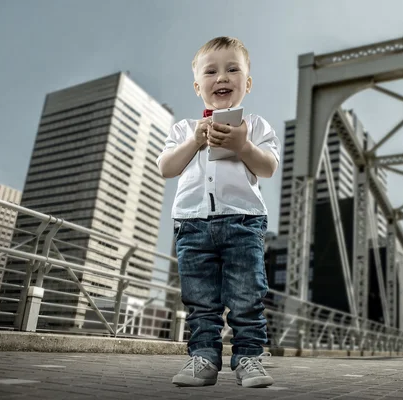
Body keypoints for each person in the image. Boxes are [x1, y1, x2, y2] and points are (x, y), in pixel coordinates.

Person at [156, 36, 280, 388]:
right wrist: (194, 141)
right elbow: (166, 168)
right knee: (199, 299)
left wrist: (242, 145)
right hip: (192, 224)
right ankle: (203, 358)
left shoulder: (255, 126)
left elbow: (268, 167)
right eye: (211, 71)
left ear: (248, 83)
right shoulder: (183, 129)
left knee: (247, 296)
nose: (222, 77)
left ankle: (248, 358)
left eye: (232, 69)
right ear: (198, 86)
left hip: (244, 221)